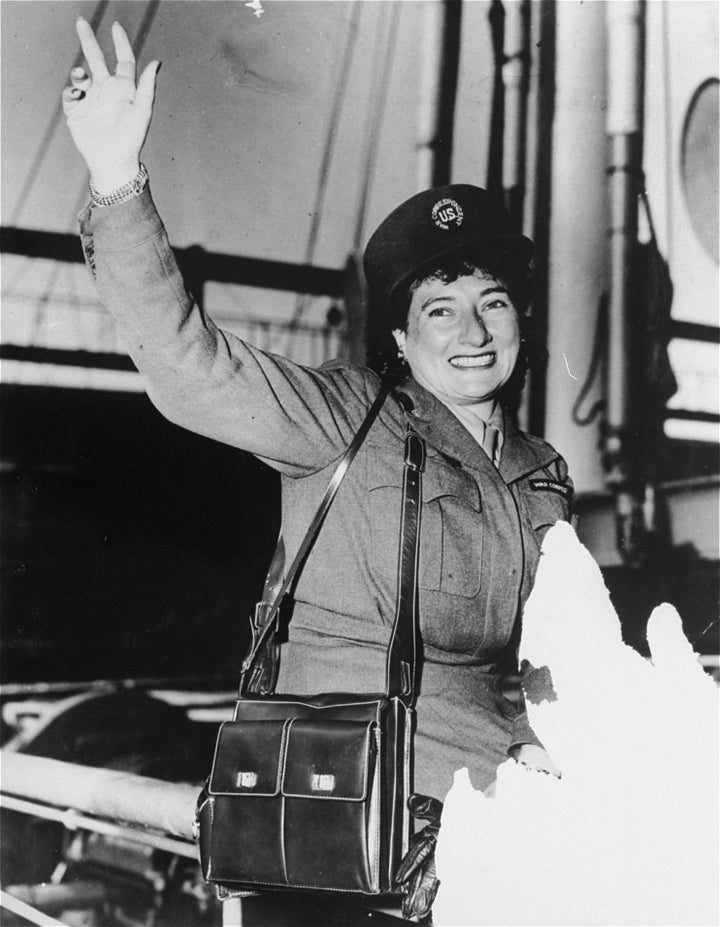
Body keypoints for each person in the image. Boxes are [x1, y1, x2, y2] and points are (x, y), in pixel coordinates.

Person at [63, 19, 572, 921]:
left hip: (496, 836)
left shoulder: (542, 474)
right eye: (441, 309)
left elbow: (539, 661)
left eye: (493, 302)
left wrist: (542, 735)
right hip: (339, 840)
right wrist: (117, 181)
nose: (474, 331)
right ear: (402, 340)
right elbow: (192, 368)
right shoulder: (346, 418)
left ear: (522, 322)